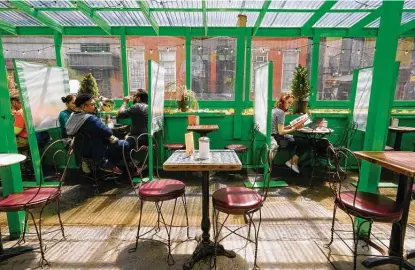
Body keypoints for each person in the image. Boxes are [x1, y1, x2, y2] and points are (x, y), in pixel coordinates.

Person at [66, 94, 128, 174]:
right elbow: (108, 132)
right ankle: (107, 165)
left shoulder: (73, 116)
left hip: (79, 151)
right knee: (125, 144)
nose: (95, 106)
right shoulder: (90, 119)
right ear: (83, 106)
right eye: (92, 104)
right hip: (94, 151)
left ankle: (91, 164)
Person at [271, 93, 309, 174]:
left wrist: (290, 126)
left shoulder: (274, 110)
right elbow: (281, 132)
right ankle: (292, 162)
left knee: (302, 141)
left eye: (291, 103)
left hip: (275, 137)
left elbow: (278, 129)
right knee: (306, 142)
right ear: (283, 101)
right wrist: (295, 128)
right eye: (288, 102)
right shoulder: (281, 113)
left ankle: (292, 162)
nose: (290, 105)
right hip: (280, 142)